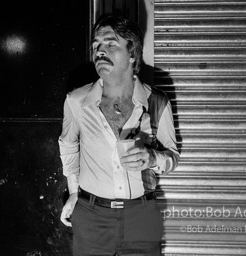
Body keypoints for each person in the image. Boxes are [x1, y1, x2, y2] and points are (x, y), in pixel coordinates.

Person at [58, 15, 180, 255]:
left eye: (110, 43)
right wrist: (73, 192)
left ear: (132, 53)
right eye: (96, 46)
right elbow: (68, 146)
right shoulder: (76, 101)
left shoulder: (156, 101)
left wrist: (153, 158)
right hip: (92, 215)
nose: (100, 51)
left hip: (142, 215)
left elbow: (172, 155)